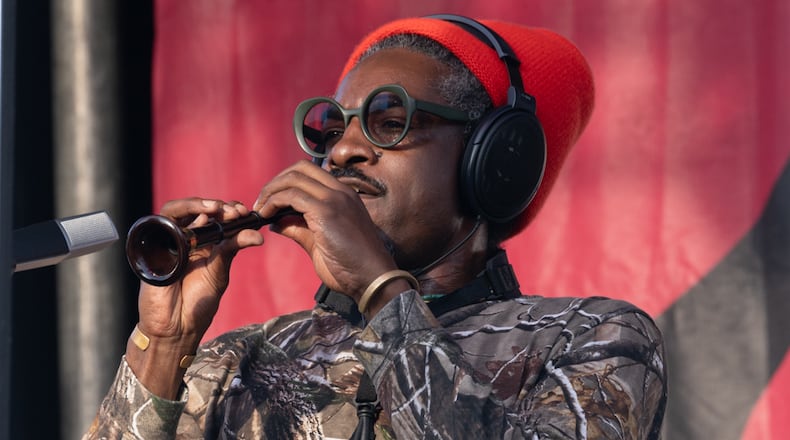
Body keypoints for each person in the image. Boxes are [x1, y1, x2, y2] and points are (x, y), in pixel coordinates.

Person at [85, 14, 667, 439]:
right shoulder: (234, 363)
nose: (342, 153)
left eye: (390, 123)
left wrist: (380, 290)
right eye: (331, 131)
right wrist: (161, 350)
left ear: (490, 164)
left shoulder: (591, 336)